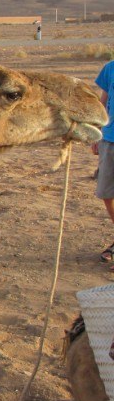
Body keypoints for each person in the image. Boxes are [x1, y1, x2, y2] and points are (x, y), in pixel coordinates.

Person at [93, 59, 114, 264]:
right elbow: (103, 103)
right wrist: (97, 132)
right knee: (107, 193)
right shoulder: (110, 68)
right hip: (109, 138)